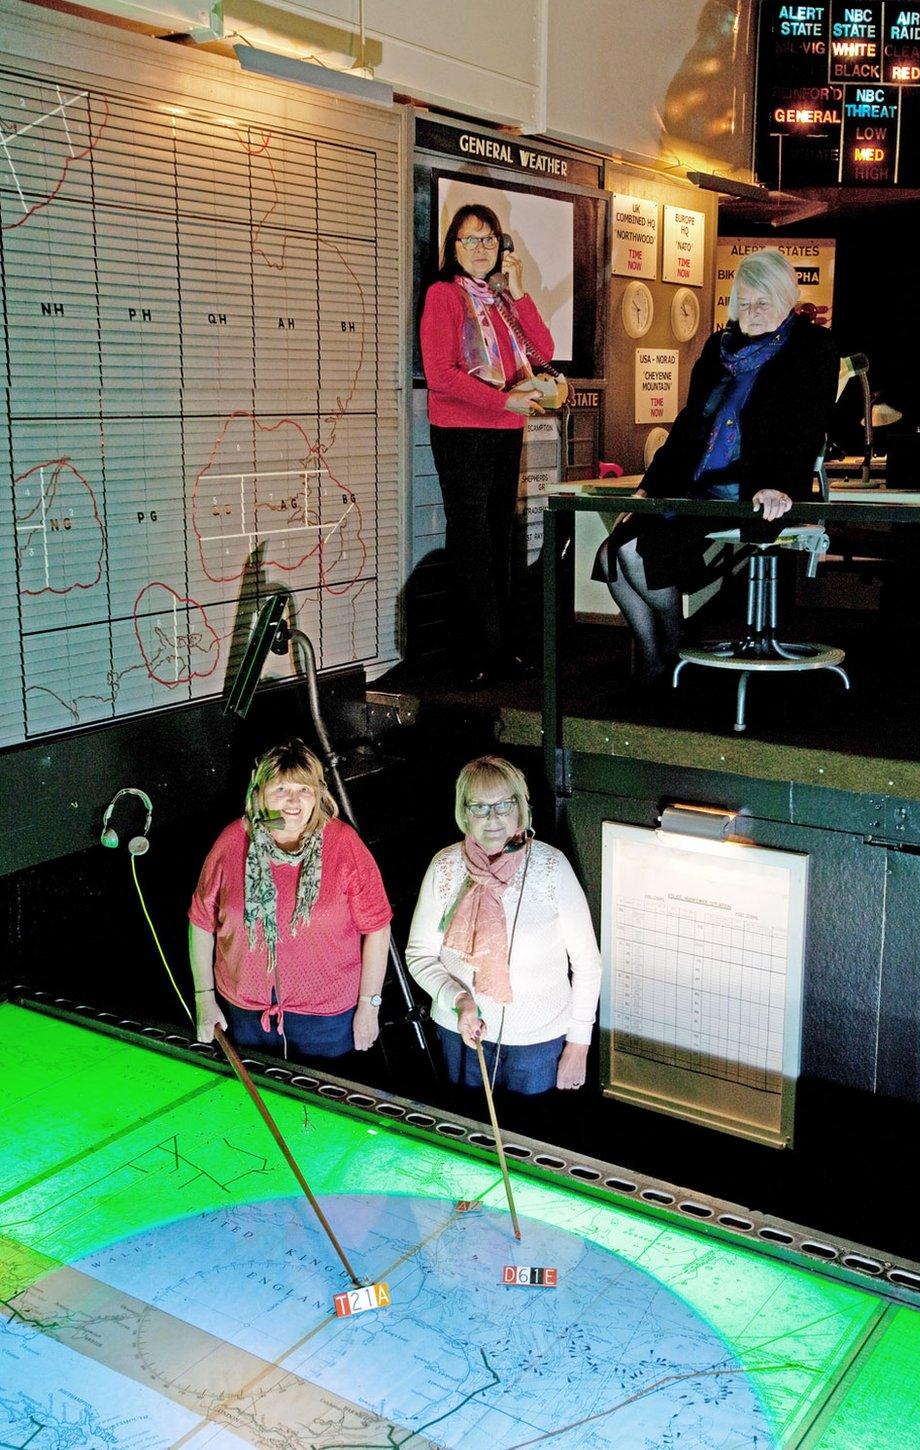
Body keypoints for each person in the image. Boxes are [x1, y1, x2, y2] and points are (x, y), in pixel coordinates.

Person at [596, 248, 840, 684]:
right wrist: (649, 489)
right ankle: (662, 652)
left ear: (786, 299)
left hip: (755, 491)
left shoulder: (812, 347)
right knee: (612, 554)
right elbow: (689, 424)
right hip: (695, 486)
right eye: (743, 303)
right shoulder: (718, 348)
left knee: (634, 556)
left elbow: (806, 426)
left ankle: (669, 648)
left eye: (763, 302)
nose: (752, 312)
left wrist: (778, 485)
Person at [406, 755, 601, 1096]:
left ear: (521, 808)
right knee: (469, 1136)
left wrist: (579, 1044)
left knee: (530, 1137)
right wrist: (459, 999)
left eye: (503, 805)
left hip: (537, 1044)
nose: (492, 818)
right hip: (460, 1033)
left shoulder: (551, 866)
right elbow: (419, 955)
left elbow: (587, 964)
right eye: (479, 807)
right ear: (463, 812)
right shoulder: (445, 866)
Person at [188, 739, 392, 1062]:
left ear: (318, 795)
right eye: (281, 789)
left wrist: (369, 1005)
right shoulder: (232, 841)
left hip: (327, 1021)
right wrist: (203, 998)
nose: (293, 801)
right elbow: (200, 922)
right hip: (246, 1016)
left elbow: (378, 928)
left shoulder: (343, 844)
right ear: (259, 793)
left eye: (304, 790)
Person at [419, 204, 555, 688]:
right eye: (470, 240)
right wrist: (504, 403)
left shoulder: (501, 301)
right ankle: (473, 652)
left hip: (503, 430)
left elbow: (543, 351)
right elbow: (441, 375)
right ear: (453, 249)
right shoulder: (444, 296)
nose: (481, 248)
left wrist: (519, 295)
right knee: (472, 540)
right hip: (461, 432)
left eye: (490, 239)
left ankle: (500, 648)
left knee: (500, 535)